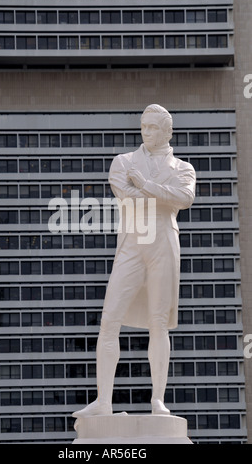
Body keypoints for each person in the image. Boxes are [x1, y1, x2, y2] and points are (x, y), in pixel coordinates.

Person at [72, 104, 196, 418]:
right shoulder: (124, 161)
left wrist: (146, 186)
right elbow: (124, 194)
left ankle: (157, 400)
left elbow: (184, 199)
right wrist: (158, 194)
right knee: (109, 319)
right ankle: (103, 401)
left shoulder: (184, 168)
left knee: (159, 323)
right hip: (132, 244)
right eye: (143, 126)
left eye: (153, 127)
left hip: (164, 245)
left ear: (168, 131)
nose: (146, 132)